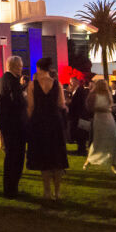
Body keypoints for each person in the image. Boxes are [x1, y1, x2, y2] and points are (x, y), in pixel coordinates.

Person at [26, 57, 69, 201]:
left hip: (39, 122)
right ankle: (57, 192)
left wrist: (30, 121)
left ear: (38, 68)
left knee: (43, 158)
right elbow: (61, 104)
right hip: (55, 122)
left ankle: (47, 192)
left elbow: (30, 106)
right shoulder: (57, 84)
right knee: (56, 158)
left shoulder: (32, 85)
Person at [0, 56, 27, 198]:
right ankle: (11, 188)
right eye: (20, 66)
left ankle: (9, 188)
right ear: (14, 66)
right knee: (16, 157)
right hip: (15, 124)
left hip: (6, 123)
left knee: (10, 156)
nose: (22, 68)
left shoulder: (1, 80)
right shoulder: (13, 81)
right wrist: (25, 98)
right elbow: (17, 101)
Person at [84, 78, 116, 173]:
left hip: (109, 118)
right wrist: (101, 109)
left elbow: (110, 106)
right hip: (99, 119)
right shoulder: (93, 95)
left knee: (114, 139)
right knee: (97, 141)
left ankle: (114, 164)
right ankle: (89, 160)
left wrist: (112, 109)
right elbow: (89, 107)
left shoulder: (108, 94)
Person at [67, 76, 90, 156]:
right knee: (78, 134)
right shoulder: (75, 91)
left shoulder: (80, 90)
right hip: (76, 115)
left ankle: (82, 150)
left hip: (79, 115)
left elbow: (79, 103)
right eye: (70, 82)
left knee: (81, 134)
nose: (70, 83)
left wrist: (70, 103)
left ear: (76, 82)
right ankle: (80, 149)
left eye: (72, 82)